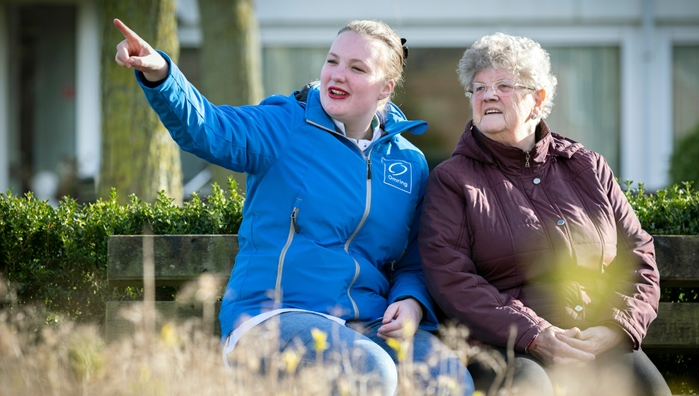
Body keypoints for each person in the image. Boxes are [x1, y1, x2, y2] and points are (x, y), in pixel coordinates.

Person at [113, 18, 473, 395]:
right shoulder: (285, 125)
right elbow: (209, 129)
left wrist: (410, 301)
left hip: (366, 325)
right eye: (332, 61)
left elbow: (414, 258)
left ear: (385, 87)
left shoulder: (409, 164)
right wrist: (163, 76)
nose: (337, 75)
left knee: (449, 380)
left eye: (357, 68)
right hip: (271, 318)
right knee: (368, 371)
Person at [418, 33, 671, 396]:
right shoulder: (453, 180)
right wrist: (534, 333)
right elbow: (452, 278)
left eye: (503, 85)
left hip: (595, 337)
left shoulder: (586, 166)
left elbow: (639, 254)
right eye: (478, 88)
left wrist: (616, 327)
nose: (487, 95)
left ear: (537, 99)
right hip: (505, 346)